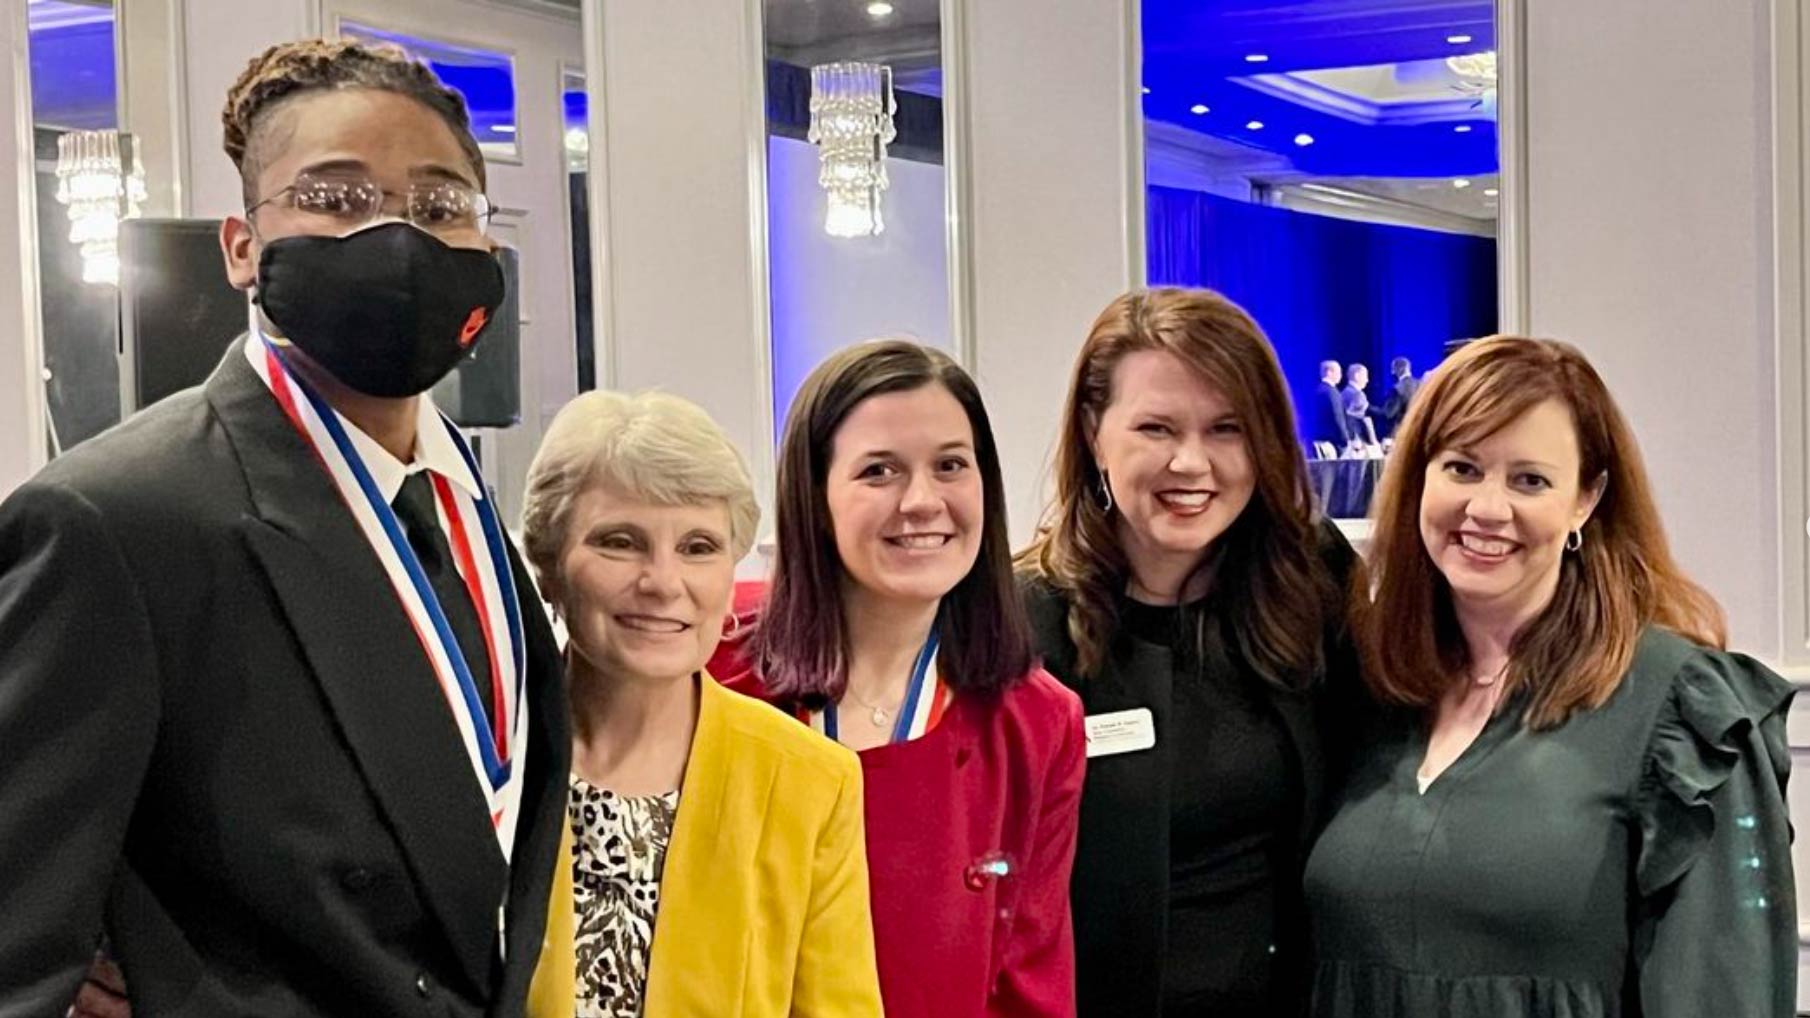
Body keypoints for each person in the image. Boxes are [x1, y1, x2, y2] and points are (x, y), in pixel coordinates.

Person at [2, 38, 570, 1017]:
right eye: (337, 198)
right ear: (241, 246)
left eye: (440, 206)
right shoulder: (115, 521)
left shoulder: (466, 503)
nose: (397, 236)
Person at [1305, 337, 1796, 1017]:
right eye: (1462, 467)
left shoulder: (1677, 705)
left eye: (1529, 480)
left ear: (1585, 500)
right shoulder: (1371, 684)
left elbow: (1722, 989)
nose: (1486, 508)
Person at [710, 339, 1087, 1017]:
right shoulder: (715, 674)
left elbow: (1028, 988)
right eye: (879, 471)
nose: (922, 501)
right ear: (813, 494)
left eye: (951, 466)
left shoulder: (1036, 723)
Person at [1017, 287, 1363, 1017]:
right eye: (1156, 428)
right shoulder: (1021, 625)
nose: (1192, 462)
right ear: (1093, 431)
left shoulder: (1313, 580)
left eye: (1227, 428)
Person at [517, 391, 883, 1018]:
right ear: (549, 565)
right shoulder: (480, 761)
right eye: (619, 542)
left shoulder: (810, 782)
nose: (662, 582)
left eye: (698, 547)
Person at [1307, 359, 1351, 452]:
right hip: (1333, 443)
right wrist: (1345, 440)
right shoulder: (1331, 392)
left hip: (1318, 440)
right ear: (1329, 372)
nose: (1341, 376)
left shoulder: (1316, 390)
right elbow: (1337, 416)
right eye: (1338, 372)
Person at [1378, 356, 1419, 436]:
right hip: (1418, 429)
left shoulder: (1398, 388)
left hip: (1402, 431)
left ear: (1397, 370)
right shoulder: (1420, 384)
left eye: (1392, 370)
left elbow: (1389, 413)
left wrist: (1368, 408)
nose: (1391, 372)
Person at [1341, 362, 1377, 447]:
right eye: (1365, 376)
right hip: (1358, 440)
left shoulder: (1344, 392)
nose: (1367, 380)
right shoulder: (1358, 394)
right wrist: (1373, 441)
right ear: (1357, 376)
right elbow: (1364, 419)